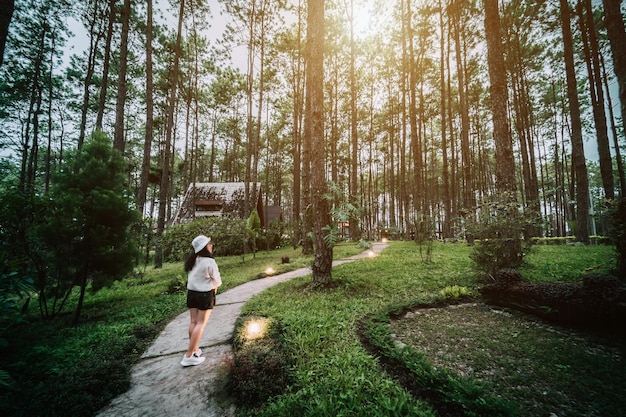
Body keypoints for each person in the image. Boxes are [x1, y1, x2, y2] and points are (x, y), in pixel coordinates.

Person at [180, 234, 222, 367]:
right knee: (200, 324)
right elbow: (217, 280)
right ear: (204, 247)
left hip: (191, 293)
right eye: (209, 244)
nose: (211, 246)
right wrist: (214, 289)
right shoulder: (209, 262)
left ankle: (194, 349)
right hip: (204, 294)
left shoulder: (192, 261)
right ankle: (189, 356)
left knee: (193, 322)